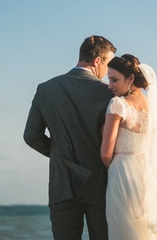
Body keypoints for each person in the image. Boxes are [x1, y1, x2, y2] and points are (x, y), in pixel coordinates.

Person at [24, 35, 117, 240]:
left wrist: (59, 155)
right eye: (109, 64)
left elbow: (31, 136)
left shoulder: (45, 89)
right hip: (100, 184)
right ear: (97, 61)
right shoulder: (109, 94)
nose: (108, 72)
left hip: (62, 185)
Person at [101, 54, 157, 240]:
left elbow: (105, 153)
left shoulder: (118, 104)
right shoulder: (153, 107)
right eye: (109, 79)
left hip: (122, 172)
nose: (110, 85)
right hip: (148, 173)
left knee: (123, 230)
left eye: (114, 79)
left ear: (131, 78)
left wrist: (114, 168)